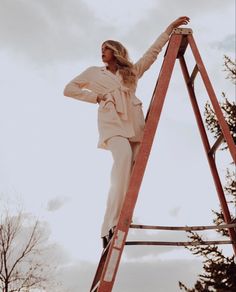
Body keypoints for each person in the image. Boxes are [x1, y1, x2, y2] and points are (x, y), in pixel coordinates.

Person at [64, 16, 190, 248]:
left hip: (134, 122)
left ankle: (120, 219)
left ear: (116, 51)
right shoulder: (94, 72)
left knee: (132, 172)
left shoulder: (131, 71)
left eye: (106, 49)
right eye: (101, 49)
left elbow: (151, 55)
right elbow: (68, 89)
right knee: (121, 160)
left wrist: (168, 30)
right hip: (111, 122)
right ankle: (108, 226)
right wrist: (96, 97)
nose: (102, 52)